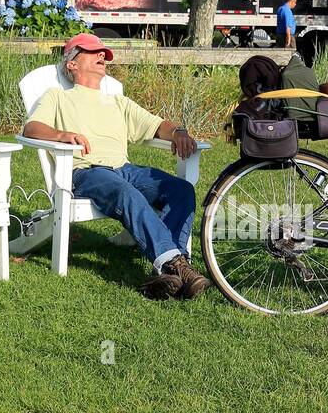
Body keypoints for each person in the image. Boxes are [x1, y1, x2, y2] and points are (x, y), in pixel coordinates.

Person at [21, 33, 211, 301]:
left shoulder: (117, 102)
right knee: (126, 192)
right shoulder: (57, 97)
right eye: (93, 52)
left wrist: (178, 131)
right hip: (87, 171)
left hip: (124, 169)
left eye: (103, 54)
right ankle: (178, 266)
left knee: (181, 190)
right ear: (71, 64)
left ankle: (173, 270)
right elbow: (32, 128)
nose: (102, 56)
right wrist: (62, 135)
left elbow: (156, 124)